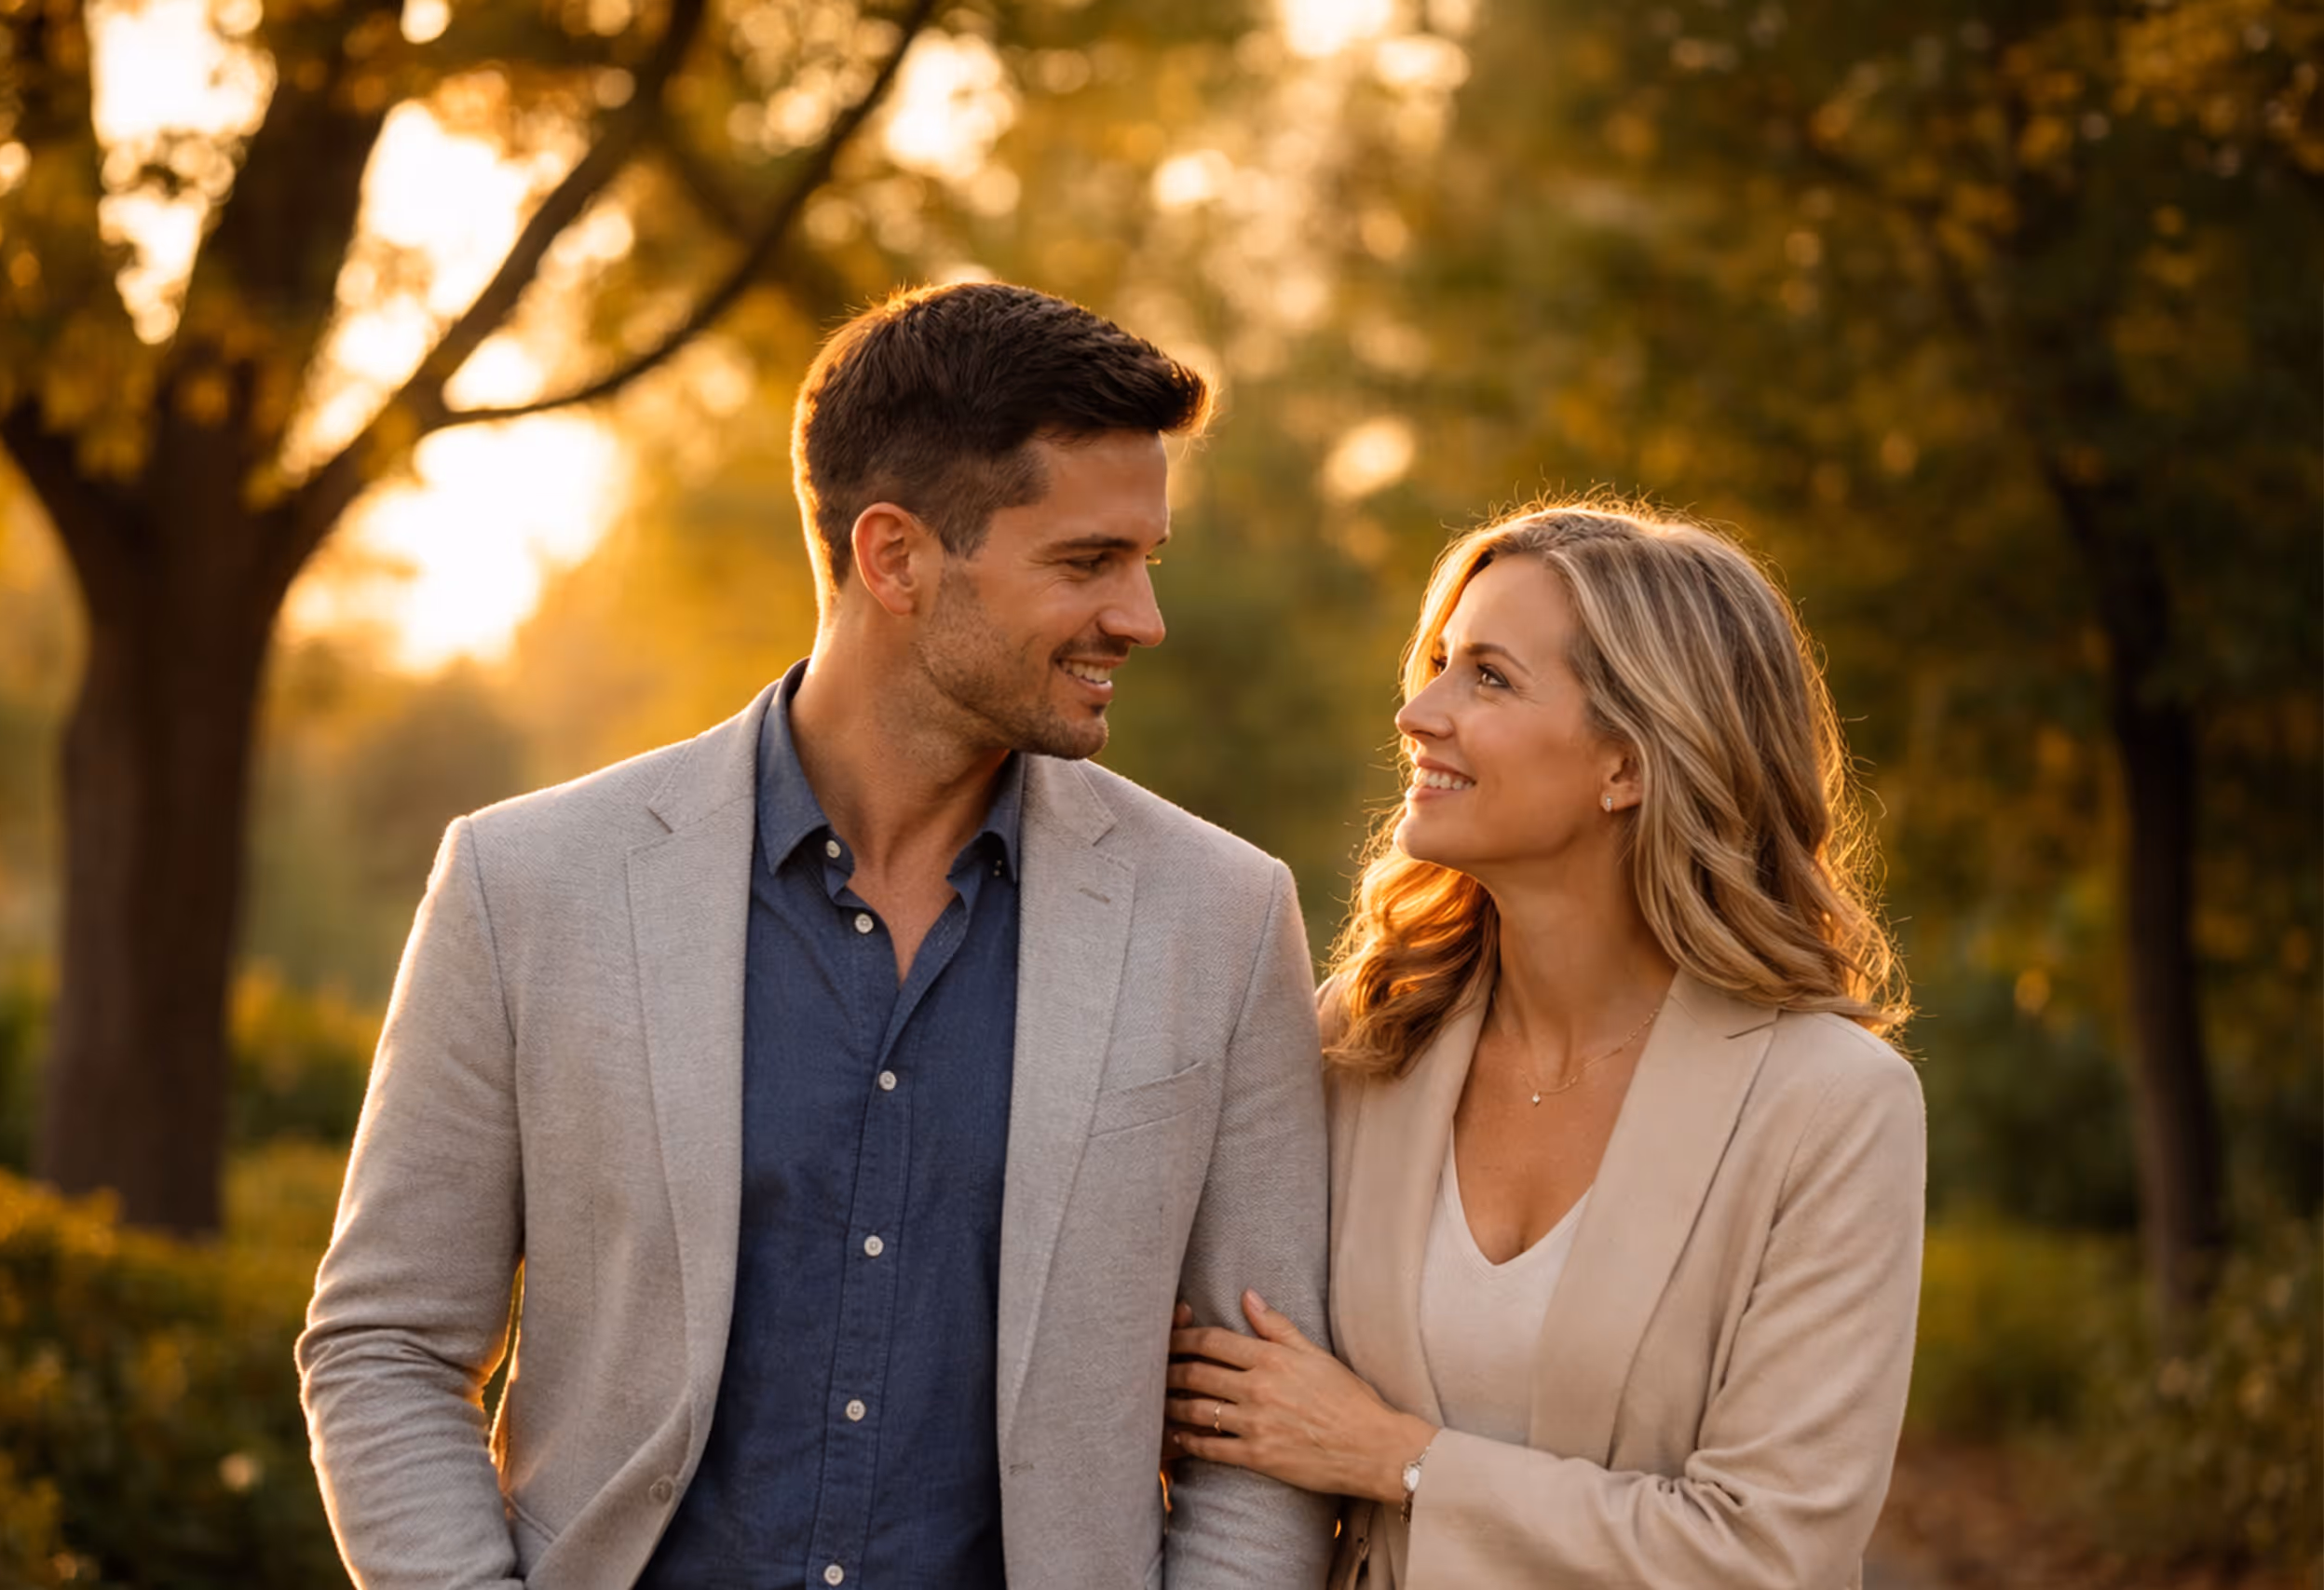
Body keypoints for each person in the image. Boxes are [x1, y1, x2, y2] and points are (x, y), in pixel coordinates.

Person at [299, 282, 1338, 1590]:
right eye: (1087, 562)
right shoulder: (527, 884)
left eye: (1147, 560)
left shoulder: (1223, 919)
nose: (1142, 617)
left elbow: (1263, 1431)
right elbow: (385, 1341)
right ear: (894, 555)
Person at [1163, 504, 1924, 1588]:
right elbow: (1237, 1406)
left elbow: (1769, 1554)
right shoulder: (1362, 1037)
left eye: (1488, 677)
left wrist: (1402, 1461)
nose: (1417, 711)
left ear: (1627, 762)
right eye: (1437, 662)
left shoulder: (1829, 1106)